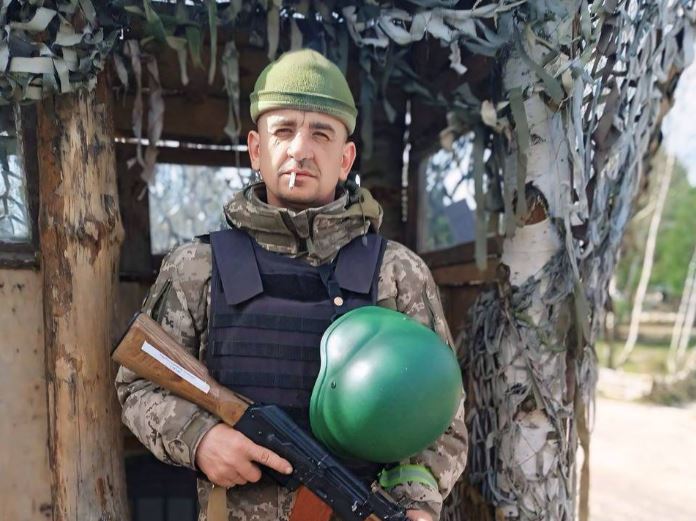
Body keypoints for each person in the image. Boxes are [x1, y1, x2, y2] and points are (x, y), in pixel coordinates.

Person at [116, 49, 467, 521]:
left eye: (321, 134)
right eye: (283, 131)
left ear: (345, 159)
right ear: (256, 150)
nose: (300, 150)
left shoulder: (397, 273)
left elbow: (440, 416)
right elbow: (138, 384)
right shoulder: (198, 268)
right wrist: (200, 438)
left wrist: (416, 505)